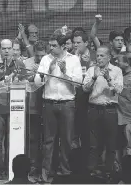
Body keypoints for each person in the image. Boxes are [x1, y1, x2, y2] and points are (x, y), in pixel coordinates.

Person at [34, 33, 83, 183]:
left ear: (63, 46)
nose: (51, 48)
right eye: (50, 45)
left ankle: (65, 172)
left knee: (67, 140)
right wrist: (48, 71)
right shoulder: (45, 59)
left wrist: (65, 73)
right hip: (49, 103)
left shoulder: (73, 59)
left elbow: (79, 83)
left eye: (54, 45)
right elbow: (37, 82)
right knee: (48, 140)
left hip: (67, 104)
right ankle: (47, 172)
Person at [0, 39, 26, 181]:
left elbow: (26, 82)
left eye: (10, 48)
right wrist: (3, 83)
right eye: (4, 48)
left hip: (16, 109)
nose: (7, 51)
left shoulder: (19, 64)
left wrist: (18, 81)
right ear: (0, 50)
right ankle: (0, 170)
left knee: (13, 141)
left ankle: (12, 170)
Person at [82, 46, 123, 182]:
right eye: (97, 56)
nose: (98, 58)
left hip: (110, 110)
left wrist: (108, 78)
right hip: (94, 109)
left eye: (102, 56)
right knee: (93, 144)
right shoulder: (91, 70)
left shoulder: (116, 71)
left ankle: (109, 172)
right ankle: (92, 173)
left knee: (111, 144)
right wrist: (94, 77)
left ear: (109, 57)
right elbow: (84, 88)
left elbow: (119, 90)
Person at [23, 41, 47, 181]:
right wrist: (34, 74)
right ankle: (32, 167)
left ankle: (44, 169)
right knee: (32, 139)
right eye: (37, 55)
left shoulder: (50, 62)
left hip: (46, 106)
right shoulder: (27, 63)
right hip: (31, 108)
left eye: (42, 55)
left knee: (46, 140)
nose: (40, 58)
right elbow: (24, 80)